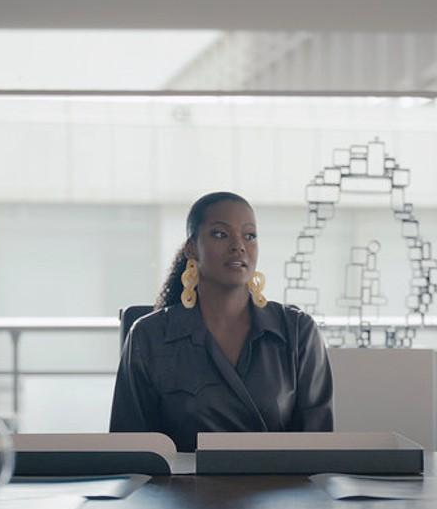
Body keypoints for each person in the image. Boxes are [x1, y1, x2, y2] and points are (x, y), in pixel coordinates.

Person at [110, 192, 333, 452]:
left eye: (249, 236)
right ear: (191, 248)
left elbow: (319, 449)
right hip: (181, 489)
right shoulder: (149, 336)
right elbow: (129, 451)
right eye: (220, 234)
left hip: (278, 488)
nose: (239, 246)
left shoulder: (297, 331)